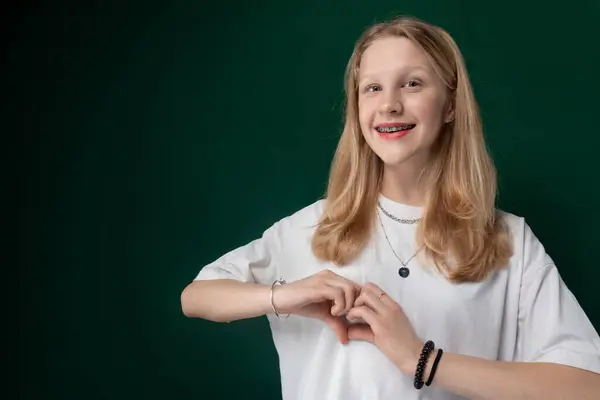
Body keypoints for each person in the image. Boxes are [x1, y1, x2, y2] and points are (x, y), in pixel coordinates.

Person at [181, 15, 600, 399]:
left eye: (412, 83)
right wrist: (284, 296)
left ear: (451, 104)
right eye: (373, 88)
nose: (389, 104)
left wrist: (421, 359)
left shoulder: (508, 241)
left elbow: (586, 386)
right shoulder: (310, 227)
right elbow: (197, 297)